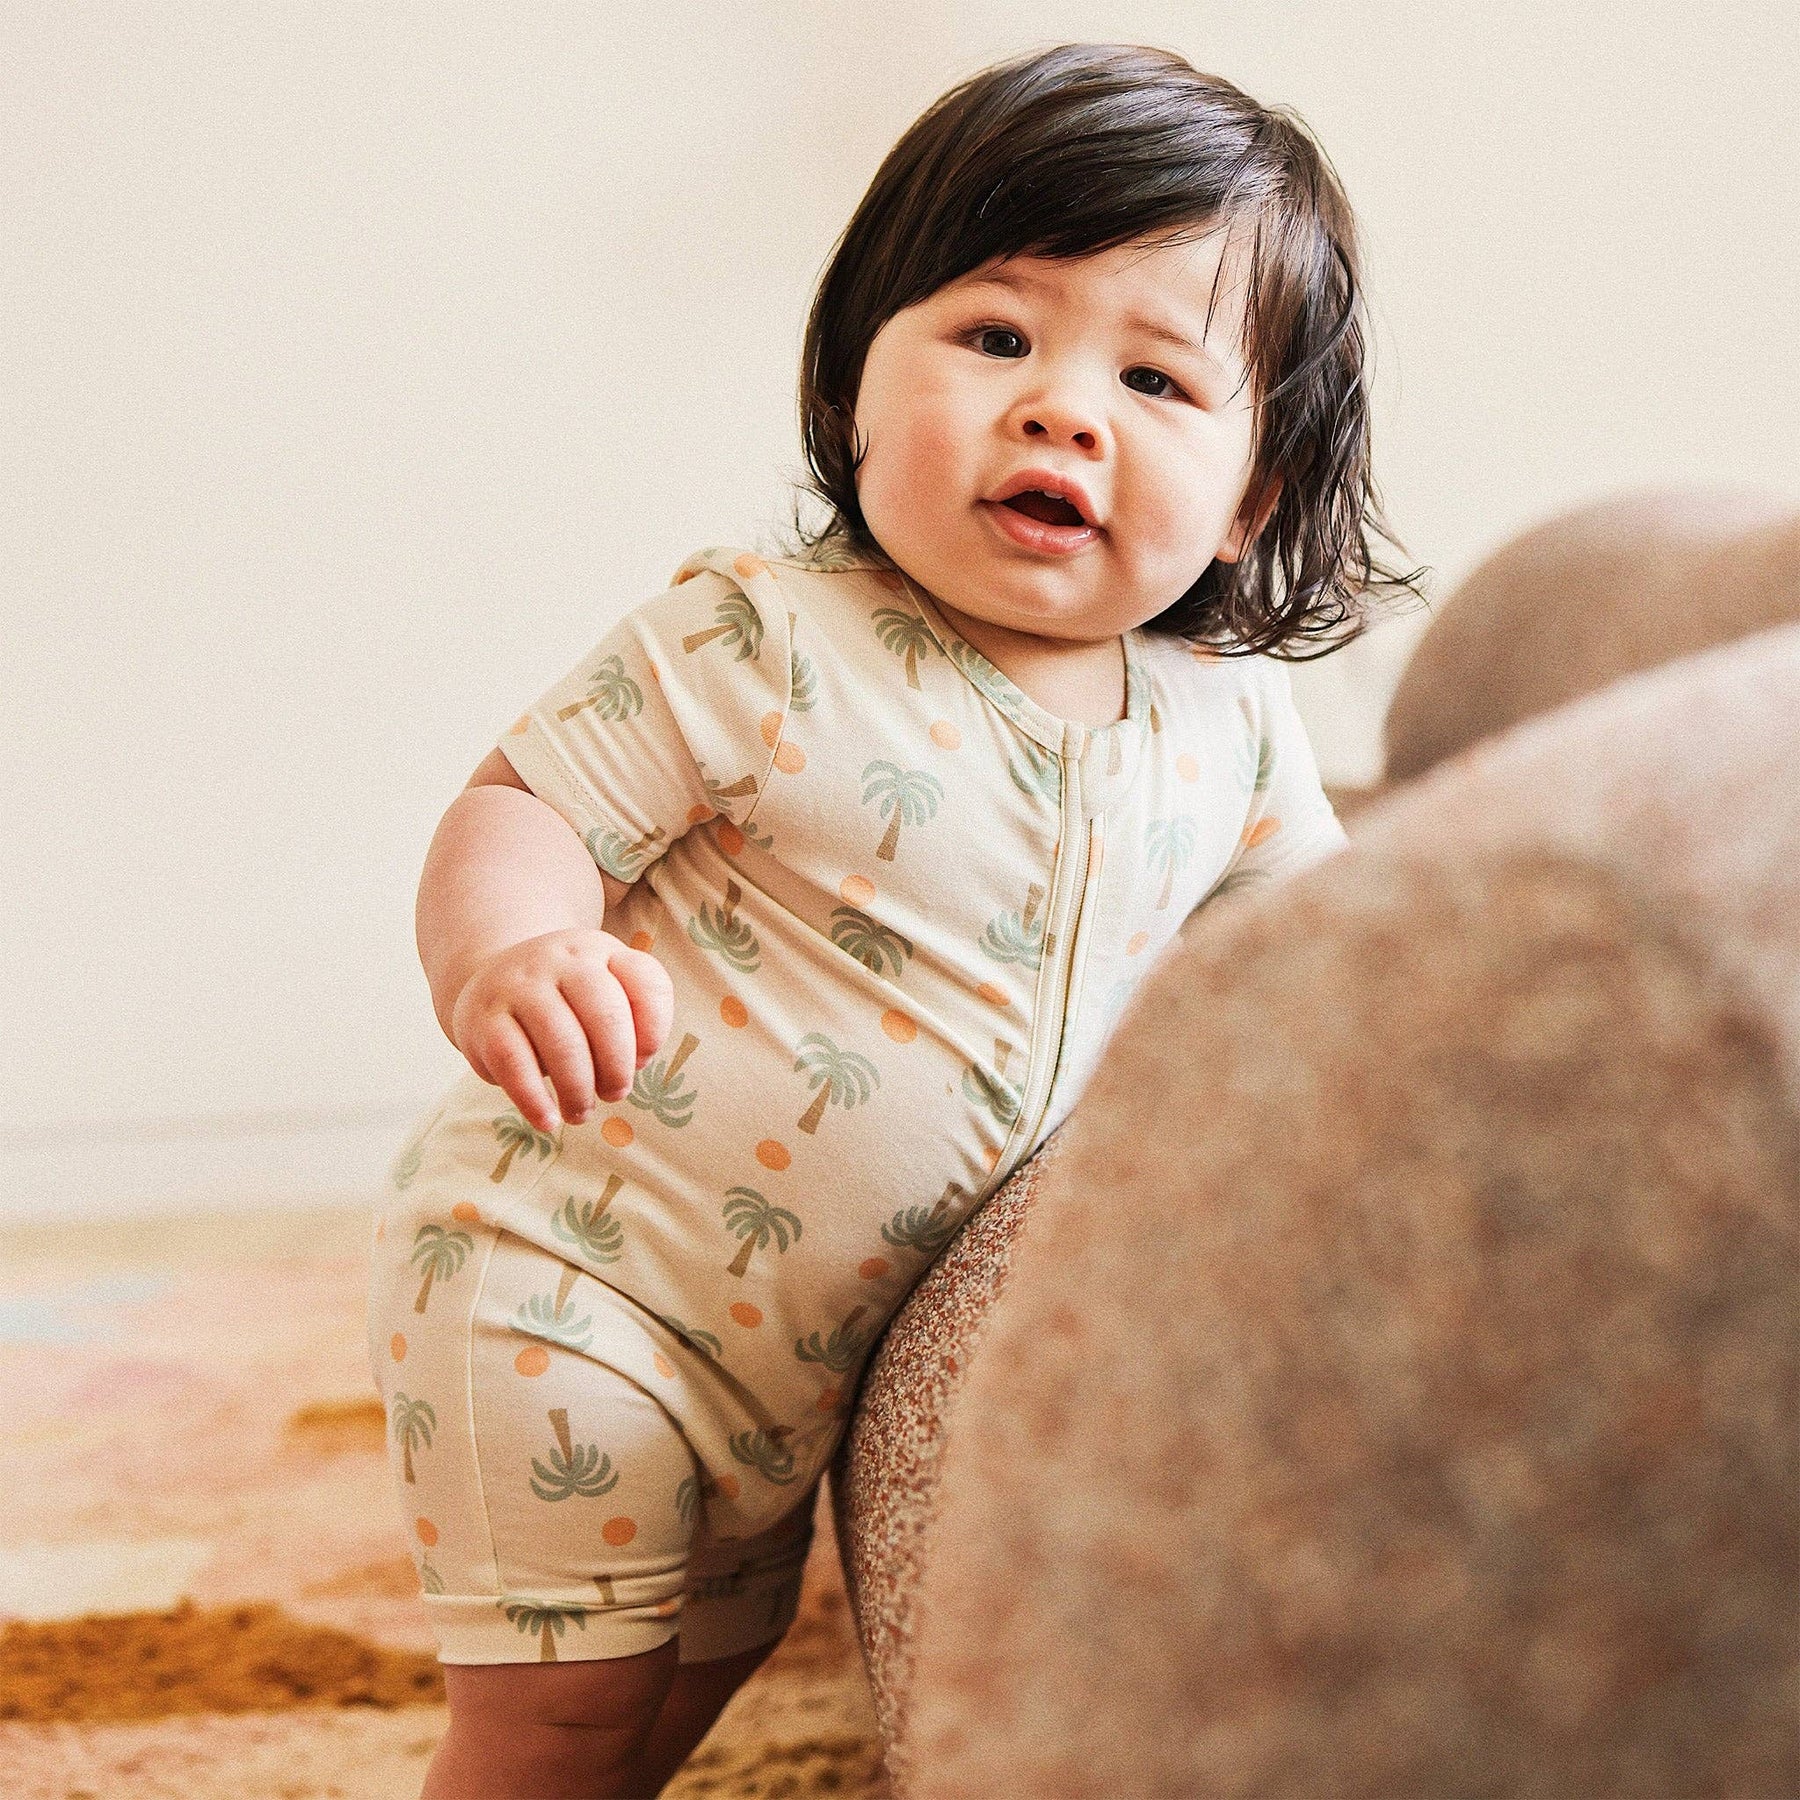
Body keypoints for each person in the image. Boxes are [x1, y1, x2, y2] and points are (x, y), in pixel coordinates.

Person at [367, 40, 1421, 1798]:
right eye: (996, 336)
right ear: (856, 379)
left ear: (1255, 498)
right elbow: (522, 807)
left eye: (1155, 377)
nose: (1062, 409)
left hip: (799, 1370)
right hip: (570, 1279)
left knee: (686, 1676)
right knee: (558, 1717)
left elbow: (1321, 949)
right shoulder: (763, 635)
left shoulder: (1229, 726)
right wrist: (513, 950)